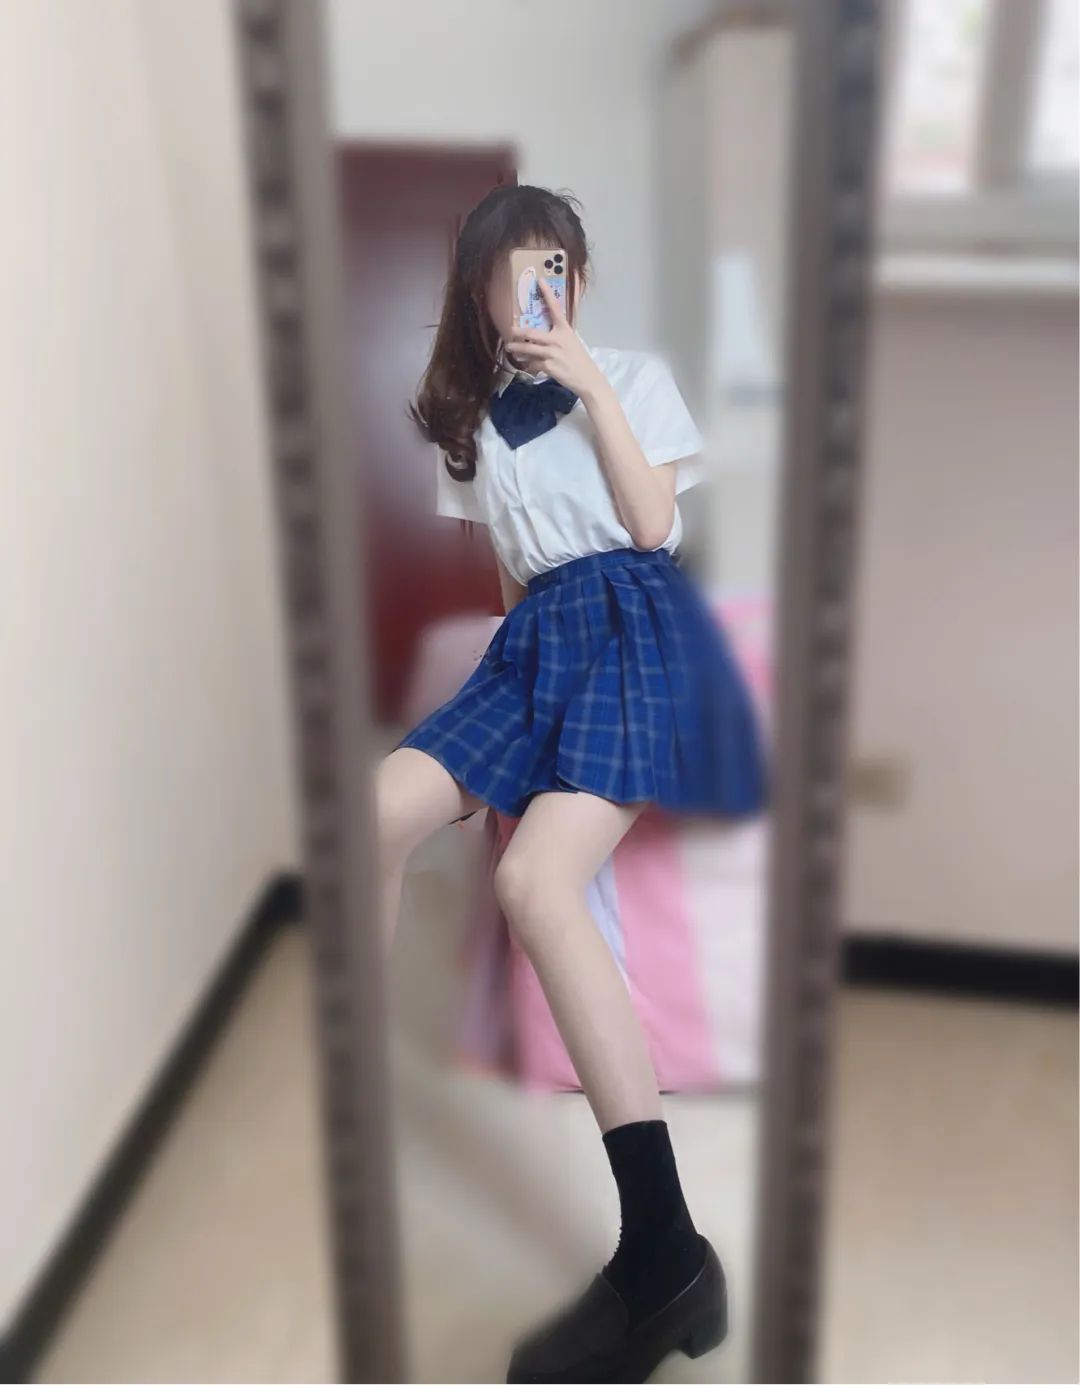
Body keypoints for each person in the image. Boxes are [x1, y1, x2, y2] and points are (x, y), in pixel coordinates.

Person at [376, 184, 767, 1383]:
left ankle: (664, 1249)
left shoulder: (633, 378)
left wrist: (591, 383)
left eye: (559, 265)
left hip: (634, 619)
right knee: (375, 809)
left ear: (580, 281)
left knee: (536, 884)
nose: (542, 287)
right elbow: (510, 580)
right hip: (535, 639)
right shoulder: (472, 429)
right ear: (483, 296)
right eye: (517, 271)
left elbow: (650, 527)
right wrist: (505, 738)